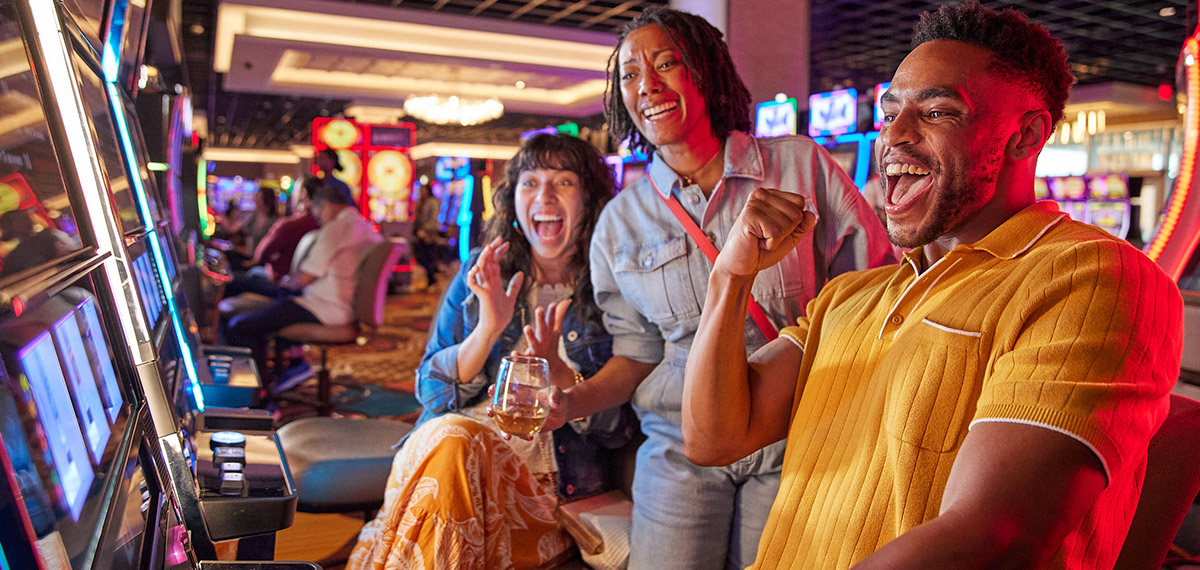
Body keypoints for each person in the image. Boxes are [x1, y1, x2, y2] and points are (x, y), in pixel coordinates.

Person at [681, 3, 1184, 569]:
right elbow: (714, 438)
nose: (893, 136)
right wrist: (731, 275)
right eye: (890, 111)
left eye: (938, 112)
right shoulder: (851, 297)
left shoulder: (1091, 277)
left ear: (1025, 136)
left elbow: (993, 537)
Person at [546, 7, 895, 570]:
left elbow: (874, 293)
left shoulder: (800, 167)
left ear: (705, 71)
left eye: (667, 64)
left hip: (794, 430)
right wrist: (572, 401)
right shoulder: (620, 221)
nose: (648, 86)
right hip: (683, 443)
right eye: (630, 76)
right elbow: (639, 354)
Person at [347, 134, 634, 569]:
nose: (545, 195)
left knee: (450, 454)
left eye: (564, 182)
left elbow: (620, 430)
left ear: (591, 199)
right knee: (456, 440)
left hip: (542, 493)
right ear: (514, 198)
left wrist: (559, 375)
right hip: (450, 460)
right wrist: (488, 328)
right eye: (530, 182)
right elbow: (433, 395)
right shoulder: (483, 271)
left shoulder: (614, 287)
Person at [225, 180, 382, 390]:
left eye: (316, 210)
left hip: (322, 307)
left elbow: (305, 278)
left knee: (240, 326)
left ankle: (258, 395)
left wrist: (287, 280)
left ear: (326, 205)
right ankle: (290, 367)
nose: (316, 216)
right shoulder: (365, 227)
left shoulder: (335, 229)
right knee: (270, 306)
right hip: (342, 306)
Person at [411, 183, 442, 290]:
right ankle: (430, 281)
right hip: (420, 234)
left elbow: (434, 219)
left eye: (425, 190)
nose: (423, 192)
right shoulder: (420, 202)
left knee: (428, 257)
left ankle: (432, 282)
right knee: (421, 257)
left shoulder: (432, 202)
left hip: (429, 234)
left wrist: (425, 230)